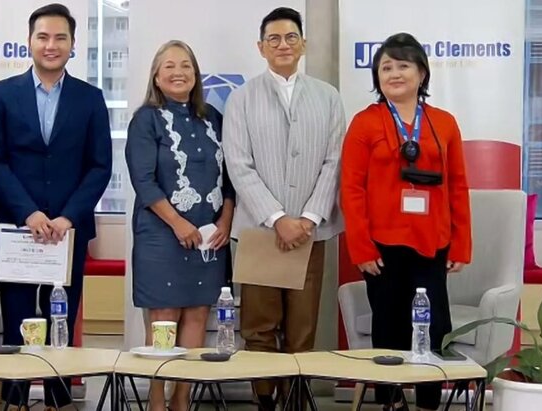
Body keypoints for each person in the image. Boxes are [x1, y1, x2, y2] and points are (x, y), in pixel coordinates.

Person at [0, 3, 112, 410]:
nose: (51, 45)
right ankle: (15, 399)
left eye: (60, 38)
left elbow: (99, 165)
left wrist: (67, 216)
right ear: (29, 42)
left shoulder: (91, 98)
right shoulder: (2, 94)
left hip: (67, 232)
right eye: (43, 37)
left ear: (72, 45)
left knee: (61, 317)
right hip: (17, 228)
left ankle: (59, 399)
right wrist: (30, 213)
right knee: (17, 317)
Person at [340, 32, 472, 411]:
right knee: (388, 327)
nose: (394, 73)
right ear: (377, 77)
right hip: (381, 246)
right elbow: (351, 190)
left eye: (403, 65)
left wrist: (461, 244)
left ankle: (429, 402)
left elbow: (458, 187)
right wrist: (361, 247)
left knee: (434, 326)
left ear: (421, 73)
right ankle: (391, 402)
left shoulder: (444, 123)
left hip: (433, 242)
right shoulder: (365, 123)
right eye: (386, 67)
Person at [222, 7, 346, 409]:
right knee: (258, 327)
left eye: (291, 37)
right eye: (273, 39)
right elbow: (238, 165)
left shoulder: (328, 97)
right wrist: (277, 217)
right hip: (260, 231)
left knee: (302, 327)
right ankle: (264, 403)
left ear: (303, 44)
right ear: (261, 48)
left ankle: (295, 401)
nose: (283, 45)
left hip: (311, 234)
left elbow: (335, 161)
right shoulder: (241, 98)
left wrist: (308, 218)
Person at [125, 40, 235, 411]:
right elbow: (143, 180)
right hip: (161, 234)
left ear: (195, 74)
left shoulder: (213, 118)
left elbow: (230, 180)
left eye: (186, 65)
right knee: (164, 320)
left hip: (209, 238)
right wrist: (177, 223)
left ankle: (182, 401)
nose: (178, 72)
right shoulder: (145, 119)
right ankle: (157, 401)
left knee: (198, 314)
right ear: (156, 75)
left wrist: (225, 220)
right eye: (169, 65)